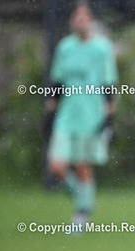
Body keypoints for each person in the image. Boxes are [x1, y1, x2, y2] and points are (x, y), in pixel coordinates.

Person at [46, 1, 118, 228]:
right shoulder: (65, 48)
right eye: (77, 17)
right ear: (72, 21)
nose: (81, 21)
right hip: (67, 116)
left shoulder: (101, 48)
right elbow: (57, 83)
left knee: (82, 165)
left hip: (91, 116)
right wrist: (50, 113)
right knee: (57, 166)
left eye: (85, 17)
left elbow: (108, 84)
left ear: (92, 21)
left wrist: (110, 118)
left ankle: (81, 215)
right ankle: (84, 199)